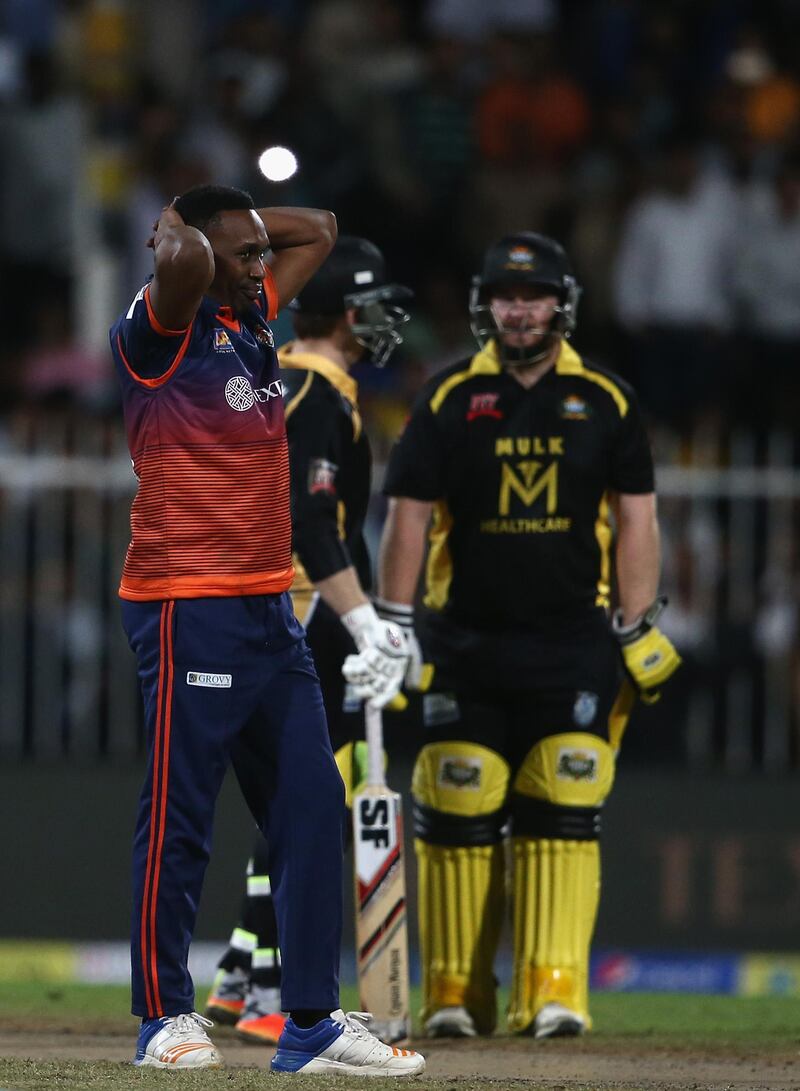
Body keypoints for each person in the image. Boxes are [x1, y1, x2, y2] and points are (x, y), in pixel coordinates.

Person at [109, 186, 424, 1077]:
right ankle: (163, 1016)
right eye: (242, 257)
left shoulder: (246, 316)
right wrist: (184, 229)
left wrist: (229, 227)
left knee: (312, 805)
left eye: (258, 255)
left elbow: (319, 228)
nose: (261, 269)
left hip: (267, 609)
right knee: (180, 817)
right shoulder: (157, 328)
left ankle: (312, 1023)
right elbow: (183, 266)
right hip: (185, 601)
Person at [376, 232, 681, 1039]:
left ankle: (554, 989)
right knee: (457, 792)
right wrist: (394, 626)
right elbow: (405, 517)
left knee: (566, 796)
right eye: (507, 297)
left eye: (534, 296)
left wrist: (637, 621)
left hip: (571, 641)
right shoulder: (446, 398)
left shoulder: (607, 400)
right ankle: (453, 992)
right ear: (486, 305)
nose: (520, 310)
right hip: (462, 640)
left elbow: (637, 518)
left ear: (562, 304)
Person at [205, 236, 417, 1046]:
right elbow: (314, 521)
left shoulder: (269, 366)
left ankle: (242, 967)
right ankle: (265, 983)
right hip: (292, 610)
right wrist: (364, 620)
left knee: (278, 798)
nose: (386, 318)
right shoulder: (322, 389)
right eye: (375, 302)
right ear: (350, 310)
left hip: (228, 602)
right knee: (308, 797)